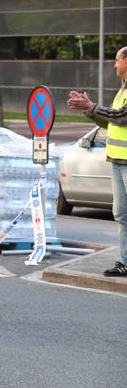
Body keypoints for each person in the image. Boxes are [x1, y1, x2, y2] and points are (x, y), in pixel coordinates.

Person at [68, 46, 127, 277]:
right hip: (117, 161)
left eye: (117, 60)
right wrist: (89, 110)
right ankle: (124, 262)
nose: (114, 65)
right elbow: (110, 122)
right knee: (122, 214)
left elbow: (121, 117)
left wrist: (91, 106)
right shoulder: (122, 90)